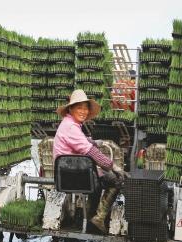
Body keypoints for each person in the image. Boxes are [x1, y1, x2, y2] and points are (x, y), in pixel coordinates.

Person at [53, 89, 129, 233]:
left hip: (69, 173)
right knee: (117, 180)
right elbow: (92, 153)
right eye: (79, 108)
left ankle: (88, 218)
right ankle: (99, 217)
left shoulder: (69, 124)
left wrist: (93, 141)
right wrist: (114, 167)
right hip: (74, 176)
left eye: (86, 108)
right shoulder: (70, 127)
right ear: (71, 109)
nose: (84, 111)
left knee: (99, 178)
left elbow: (80, 141)